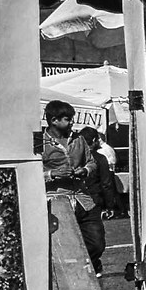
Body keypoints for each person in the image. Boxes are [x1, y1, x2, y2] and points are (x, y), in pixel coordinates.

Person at [40, 99, 111, 267]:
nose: (72, 122)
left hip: (83, 199)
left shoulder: (78, 139)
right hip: (56, 200)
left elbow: (92, 162)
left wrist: (85, 170)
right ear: (54, 120)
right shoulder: (39, 142)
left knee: (97, 243)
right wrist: (52, 174)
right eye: (68, 119)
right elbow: (30, 174)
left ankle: (87, 266)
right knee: (63, 246)